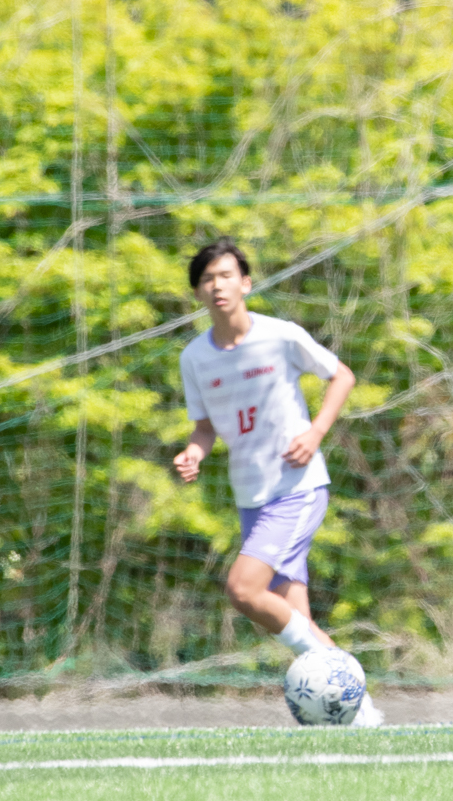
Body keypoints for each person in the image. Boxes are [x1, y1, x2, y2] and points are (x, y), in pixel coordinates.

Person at [173, 238, 382, 727]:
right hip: (251, 498)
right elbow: (204, 428)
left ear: (245, 283)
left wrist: (315, 432)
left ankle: (348, 686)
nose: (217, 285)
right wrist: (193, 453)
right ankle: (358, 714)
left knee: (243, 589)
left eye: (226, 275)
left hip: (297, 487)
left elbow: (342, 376)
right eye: (207, 279)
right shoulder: (195, 358)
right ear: (198, 293)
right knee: (297, 622)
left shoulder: (280, 335)